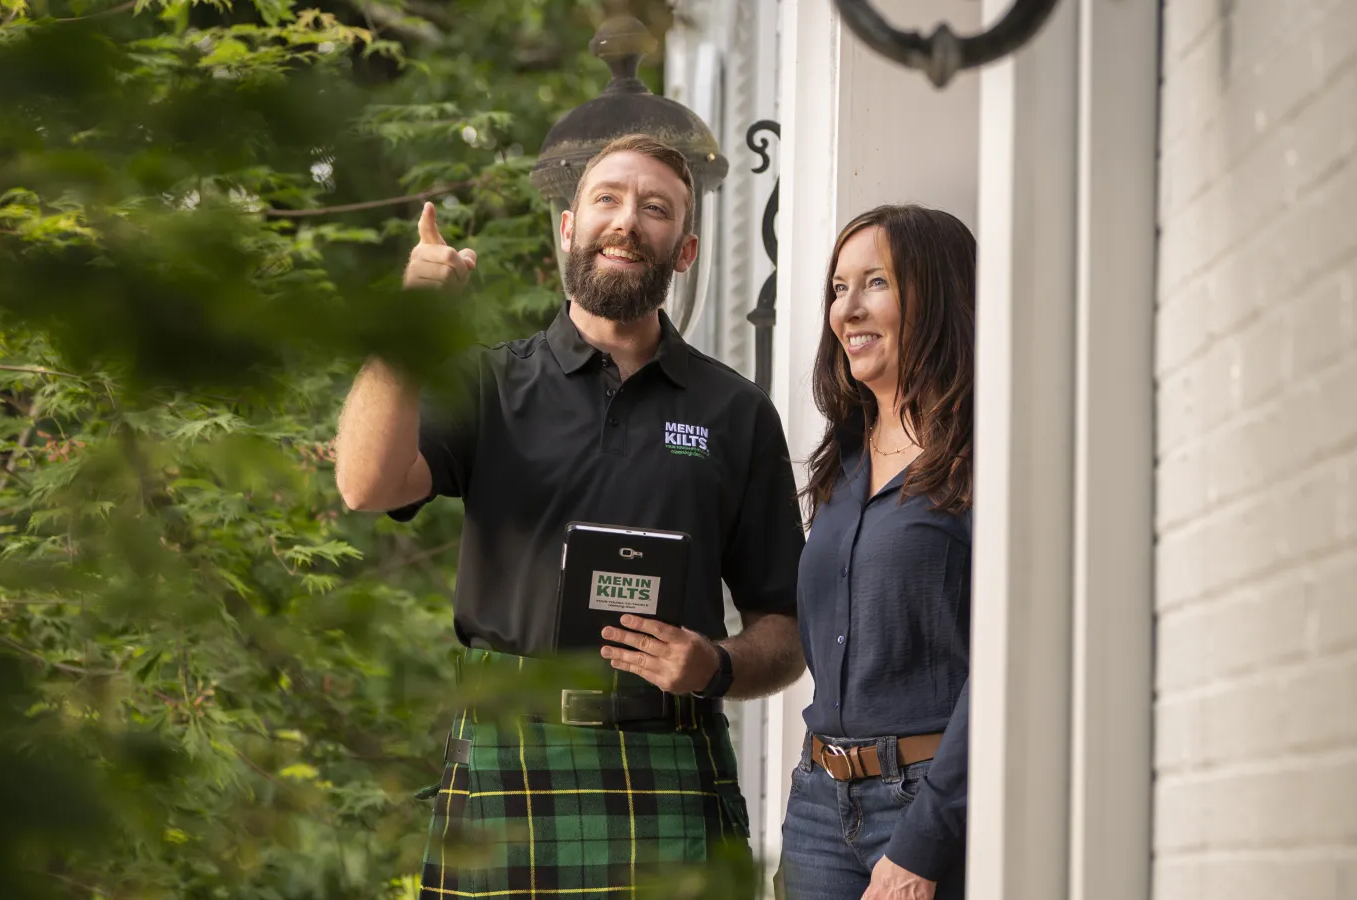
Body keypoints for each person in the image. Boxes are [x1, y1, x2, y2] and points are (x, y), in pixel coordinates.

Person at [333, 134, 806, 898]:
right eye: (607, 199)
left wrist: (715, 665)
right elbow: (363, 484)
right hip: (505, 762)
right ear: (568, 229)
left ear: (683, 252)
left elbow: (785, 630)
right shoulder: (489, 384)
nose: (627, 221)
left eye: (655, 209)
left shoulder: (737, 413)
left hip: (671, 762)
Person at [780, 205, 975, 900]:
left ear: (939, 295)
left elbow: (1007, 663)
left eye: (876, 284)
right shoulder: (842, 461)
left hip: (929, 804)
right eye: (838, 288)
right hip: (818, 806)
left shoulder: (981, 458)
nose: (848, 309)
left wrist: (924, 843)